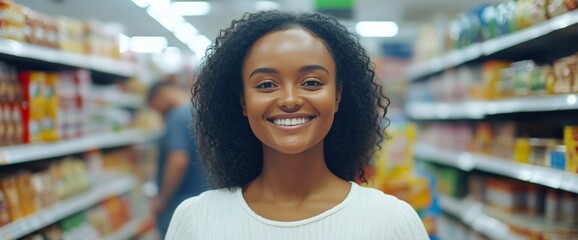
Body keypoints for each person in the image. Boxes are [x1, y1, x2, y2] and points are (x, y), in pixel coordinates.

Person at [166, 11, 429, 239]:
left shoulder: (391, 222)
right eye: (266, 84)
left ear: (337, 96)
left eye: (312, 82)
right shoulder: (196, 220)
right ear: (243, 101)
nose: (290, 100)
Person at [146, 81, 209, 238]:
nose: (159, 113)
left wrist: (162, 199)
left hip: (181, 201)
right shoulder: (202, 111)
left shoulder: (176, 118)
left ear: (162, 95)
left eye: (155, 107)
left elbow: (178, 160)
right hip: (205, 197)